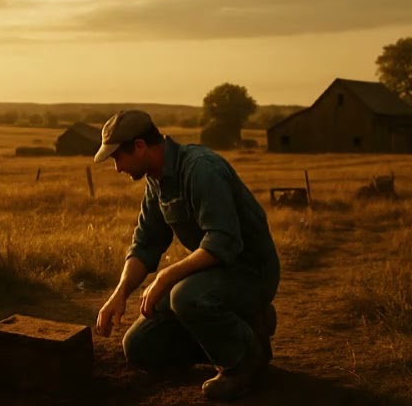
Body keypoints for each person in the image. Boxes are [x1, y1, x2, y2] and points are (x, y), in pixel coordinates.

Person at [92, 110, 279, 401]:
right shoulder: (156, 180)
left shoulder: (201, 169)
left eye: (118, 157)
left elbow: (222, 241)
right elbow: (146, 244)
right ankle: (246, 328)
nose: (117, 168)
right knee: (140, 346)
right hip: (214, 276)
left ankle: (243, 365)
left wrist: (165, 276)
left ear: (139, 146)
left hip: (251, 273)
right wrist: (119, 294)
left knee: (184, 295)